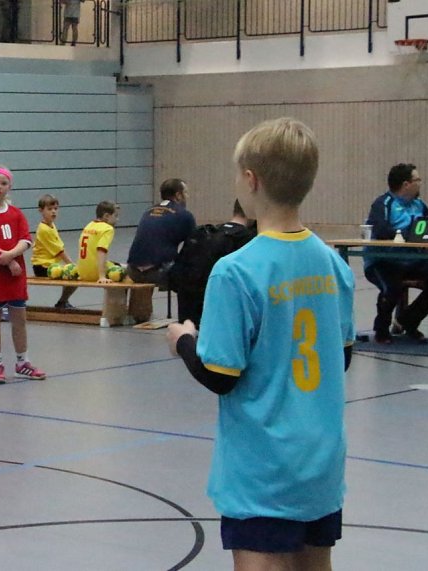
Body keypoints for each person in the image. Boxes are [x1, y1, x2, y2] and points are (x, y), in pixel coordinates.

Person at [166, 117, 354, 571]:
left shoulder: (236, 270)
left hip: (263, 469)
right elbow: (340, 356)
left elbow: (220, 374)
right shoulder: (333, 263)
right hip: (321, 463)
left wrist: (184, 341)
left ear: (251, 181)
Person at [0, 166, 46, 384]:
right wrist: (6, 260)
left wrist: (12, 255)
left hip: (14, 275)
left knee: (19, 318)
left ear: (9, 187)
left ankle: (22, 363)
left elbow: (26, 239)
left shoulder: (16, 213)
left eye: (3, 183)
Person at [364, 163, 428, 344]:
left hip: (412, 261)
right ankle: (381, 329)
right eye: (417, 180)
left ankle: (408, 321)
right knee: (392, 287)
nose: (420, 183)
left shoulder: (419, 204)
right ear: (406, 184)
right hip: (384, 261)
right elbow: (381, 229)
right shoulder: (383, 203)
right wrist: (407, 234)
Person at [168, 199, 255, 327]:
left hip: (188, 321)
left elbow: (175, 278)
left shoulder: (201, 233)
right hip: (221, 323)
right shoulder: (248, 241)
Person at [127, 178, 196, 322]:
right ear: (178, 195)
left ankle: (139, 313)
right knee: (193, 274)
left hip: (132, 270)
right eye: (186, 193)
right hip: (159, 274)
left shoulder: (148, 211)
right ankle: (189, 319)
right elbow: (192, 248)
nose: (187, 197)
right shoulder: (185, 215)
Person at [31, 194, 77, 309]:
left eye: (56, 209)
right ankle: (62, 302)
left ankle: (63, 301)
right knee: (74, 274)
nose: (53, 212)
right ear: (41, 211)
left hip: (50, 265)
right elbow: (59, 251)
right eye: (49, 209)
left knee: (73, 273)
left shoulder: (51, 225)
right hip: (42, 266)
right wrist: (72, 265)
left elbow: (60, 247)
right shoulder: (44, 229)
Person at [75, 200, 120, 283]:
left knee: (112, 263)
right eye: (116, 216)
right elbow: (101, 251)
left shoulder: (89, 225)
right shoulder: (107, 229)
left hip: (81, 272)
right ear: (106, 216)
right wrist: (102, 276)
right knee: (122, 272)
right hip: (94, 273)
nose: (117, 219)